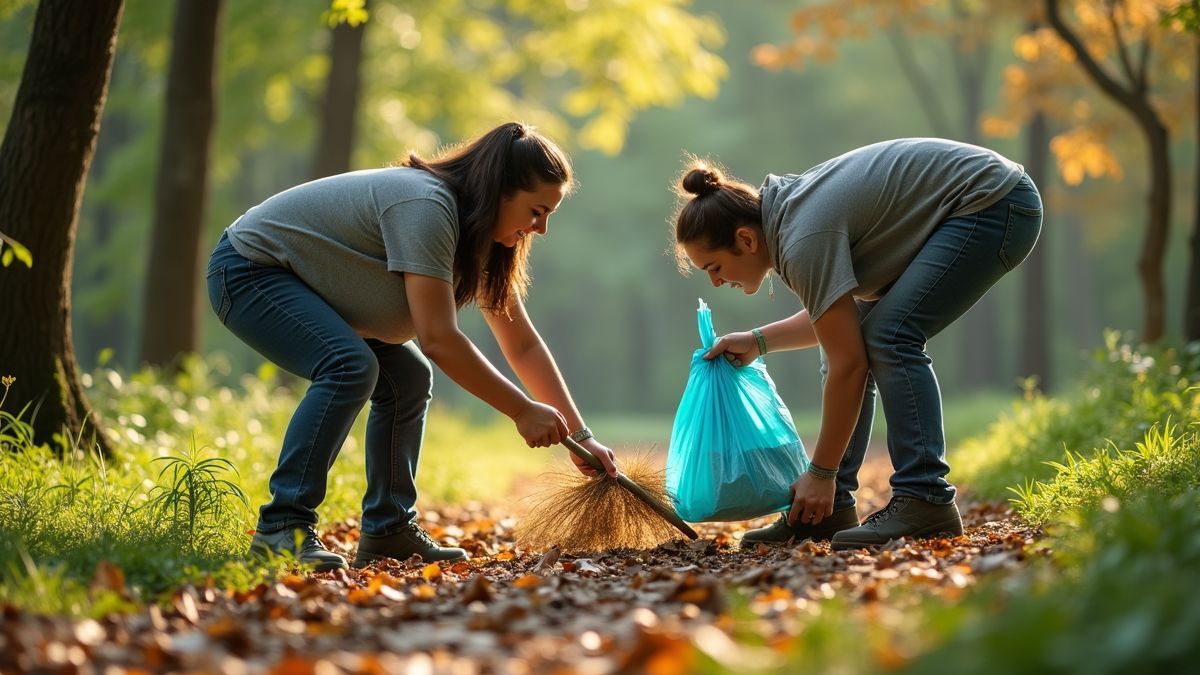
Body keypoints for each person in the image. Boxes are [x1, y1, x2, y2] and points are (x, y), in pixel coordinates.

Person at [206, 122, 619, 571]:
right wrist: (521, 410)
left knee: (408, 378)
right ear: (499, 190)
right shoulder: (427, 207)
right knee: (349, 365)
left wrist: (581, 437)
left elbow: (522, 345)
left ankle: (389, 529)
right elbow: (438, 339)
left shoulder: (481, 239)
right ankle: (282, 527)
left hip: (309, 287)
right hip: (249, 270)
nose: (541, 228)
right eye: (536, 211)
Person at [670, 138, 1042, 550]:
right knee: (857, 339)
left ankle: (926, 498)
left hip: (994, 203)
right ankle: (827, 510)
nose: (715, 282)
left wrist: (821, 472)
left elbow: (850, 365)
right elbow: (839, 326)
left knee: (890, 336)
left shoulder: (801, 239)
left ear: (745, 240)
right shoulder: (787, 221)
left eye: (714, 267)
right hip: (975, 204)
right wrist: (758, 341)